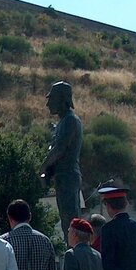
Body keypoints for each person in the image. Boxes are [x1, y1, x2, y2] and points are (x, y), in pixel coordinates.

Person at [39, 81, 84, 239]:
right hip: (62, 177)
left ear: (61, 99)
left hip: (68, 176)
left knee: (71, 222)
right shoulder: (63, 122)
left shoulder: (70, 121)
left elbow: (59, 149)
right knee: (67, 223)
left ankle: (76, 251)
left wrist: (43, 166)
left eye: (51, 99)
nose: (48, 104)